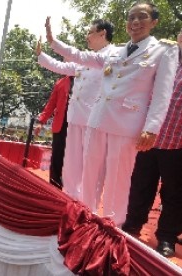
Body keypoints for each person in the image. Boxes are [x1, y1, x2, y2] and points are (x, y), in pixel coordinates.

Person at [45, 1, 179, 226]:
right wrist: (53, 42)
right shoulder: (115, 51)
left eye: (142, 17)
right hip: (97, 120)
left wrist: (151, 127)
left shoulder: (164, 51)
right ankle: (83, 220)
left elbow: (162, 94)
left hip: (127, 125)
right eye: (131, 17)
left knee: (118, 179)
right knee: (89, 174)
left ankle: (110, 226)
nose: (135, 22)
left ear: (154, 22)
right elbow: (81, 56)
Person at [36, 18, 115, 199]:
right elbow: (61, 66)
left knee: (91, 165)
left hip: (94, 121)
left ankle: (88, 204)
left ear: (102, 33)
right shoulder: (85, 60)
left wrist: (52, 40)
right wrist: (41, 55)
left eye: (90, 32)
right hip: (75, 118)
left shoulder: (112, 55)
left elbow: (77, 55)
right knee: (72, 163)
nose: (87, 36)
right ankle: (70, 199)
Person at [122, 29, 182, 257]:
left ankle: (166, 237)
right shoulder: (162, 58)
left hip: (177, 143)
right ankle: (132, 226)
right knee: (140, 186)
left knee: (174, 194)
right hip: (148, 139)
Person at [35, 75, 73, 188]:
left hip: (78, 125)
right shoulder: (61, 82)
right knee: (57, 156)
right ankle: (54, 187)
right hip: (61, 124)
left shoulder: (87, 79)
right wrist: (41, 122)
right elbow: (51, 103)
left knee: (73, 158)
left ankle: (70, 188)